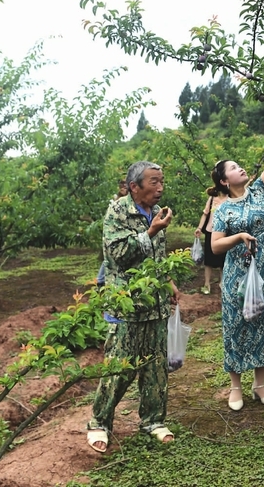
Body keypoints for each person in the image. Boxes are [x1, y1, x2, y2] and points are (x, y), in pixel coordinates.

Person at [86, 161, 181, 453]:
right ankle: (99, 423)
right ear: (133, 187)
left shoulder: (155, 214)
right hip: (127, 304)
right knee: (119, 367)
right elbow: (117, 255)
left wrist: (168, 280)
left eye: (161, 181)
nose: (160, 188)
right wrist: (150, 232)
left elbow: (158, 255)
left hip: (155, 303)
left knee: (155, 366)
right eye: (154, 182)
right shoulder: (117, 212)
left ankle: (152, 420)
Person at [210, 107, 264, 412]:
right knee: (237, 325)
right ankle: (235, 387)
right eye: (233, 168)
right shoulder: (223, 210)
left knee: (263, 322)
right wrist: (239, 237)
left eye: (239, 165)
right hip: (238, 276)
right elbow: (216, 246)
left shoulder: (259, 191)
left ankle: (260, 384)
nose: (240, 168)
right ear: (223, 181)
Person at [194, 187, 229, 294]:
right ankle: (207, 284)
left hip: (225, 232)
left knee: (224, 259)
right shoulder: (212, 198)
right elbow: (205, 214)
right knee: (208, 260)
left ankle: (222, 283)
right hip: (211, 231)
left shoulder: (230, 198)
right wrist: (199, 228)